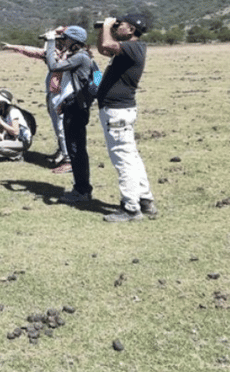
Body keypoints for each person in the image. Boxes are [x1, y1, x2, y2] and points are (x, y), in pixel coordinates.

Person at [96, 14, 156, 222]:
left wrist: (106, 26)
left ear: (131, 30)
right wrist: (103, 29)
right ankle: (145, 200)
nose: (116, 27)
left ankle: (130, 208)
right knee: (131, 156)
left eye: (120, 25)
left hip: (117, 111)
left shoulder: (132, 47)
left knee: (123, 159)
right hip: (120, 110)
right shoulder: (128, 49)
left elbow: (107, 44)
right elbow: (103, 48)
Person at [1, 40, 71, 173]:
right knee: (58, 129)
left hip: (66, 97)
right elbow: (33, 51)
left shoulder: (77, 57)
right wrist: (13, 46)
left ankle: (69, 159)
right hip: (54, 95)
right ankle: (63, 151)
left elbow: (95, 72)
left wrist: (97, 90)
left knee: (64, 129)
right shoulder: (57, 58)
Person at [44, 26, 94, 203]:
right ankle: (82, 188)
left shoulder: (80, 57)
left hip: (76, 108)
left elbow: (53, 65)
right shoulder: (86, 57)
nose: (62, 42)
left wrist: (50, 43)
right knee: (78, 149)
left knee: (76, 149)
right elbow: (97, 79)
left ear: (73, 40)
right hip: (76, 105)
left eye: (64, 39)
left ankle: (82, 190)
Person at [0, 89, 32, 161]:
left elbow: (16, 132)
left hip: (23, 141)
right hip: (13, 139)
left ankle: (18, 156)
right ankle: (13, 152)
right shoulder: (4, 112)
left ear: (3, 102)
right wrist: (1, 137)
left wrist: (0, 121)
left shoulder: (13, 112)